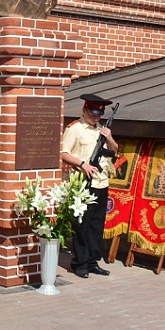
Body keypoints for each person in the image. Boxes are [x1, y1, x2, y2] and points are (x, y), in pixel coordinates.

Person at [60, 93, 118, 279]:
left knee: (96, 225)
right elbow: (63, 153)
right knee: (82, 225)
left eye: (99, 114)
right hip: (83, 183)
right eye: (93, 113)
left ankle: (93, 262)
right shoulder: (74, 129)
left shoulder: (101, 129)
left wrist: (109, 138)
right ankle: (80, 263)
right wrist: (82, 164)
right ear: (84, 110)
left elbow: (114, 150)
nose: (96, 117)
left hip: (101, 183)